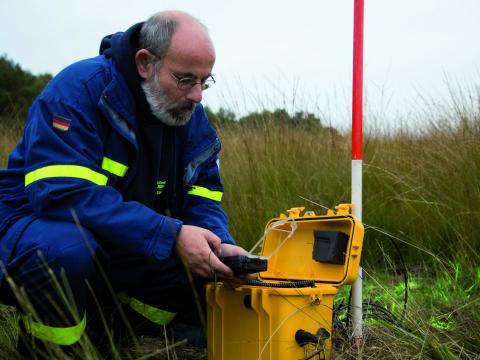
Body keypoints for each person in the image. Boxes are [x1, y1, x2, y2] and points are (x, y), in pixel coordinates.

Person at [0, 10, 252, 356]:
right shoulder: (80, 90)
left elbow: (203, 197)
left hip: (120, 236)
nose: (197, 96)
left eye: (204, 81)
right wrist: (170, 235)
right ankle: (50, 350)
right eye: (185, 79)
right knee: (69, 250)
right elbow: (60, 194)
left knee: (205, 273)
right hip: (33, 227)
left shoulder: (188, 115)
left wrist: (219, 247)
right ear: (145, 63)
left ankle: (117, 335)